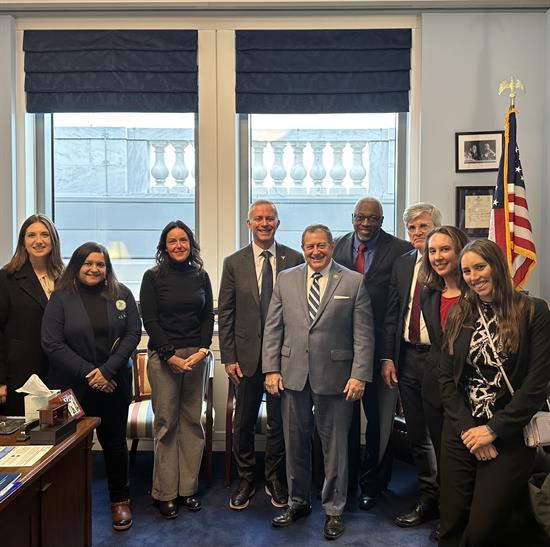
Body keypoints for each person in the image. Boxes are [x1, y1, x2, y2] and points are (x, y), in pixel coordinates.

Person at [263, 224, 374, 540]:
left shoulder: (353, 282)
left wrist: (358, 374)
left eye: (321, 246)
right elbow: (273, 328)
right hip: (292, 375)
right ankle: (297, 503)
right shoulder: (286, 279)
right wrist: (271, 369)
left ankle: (334, 510)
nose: (315, 252)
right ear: (303, 247)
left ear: (331, 246)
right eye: (309, 246)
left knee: (335, 448)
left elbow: (364, 335)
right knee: (294, 443)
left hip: (337, 379)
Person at [439, 239, 550, 546]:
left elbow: (537, 384)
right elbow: (446, 380)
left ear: (497, 265)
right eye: (467, 271)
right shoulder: (460, 313)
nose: (474, 276)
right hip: (462, 428)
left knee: (482, 531)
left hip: (510, 432)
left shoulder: (533, 311)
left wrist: (492, 430)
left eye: (480, 267)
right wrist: (471, 432)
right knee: (450, 522)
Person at [42, 242, 141, 531]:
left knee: (113, 443)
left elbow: (133, 333)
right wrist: (91, 373)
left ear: (107, 267)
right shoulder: (61, 298)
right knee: (69, 448)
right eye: (88, 263)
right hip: (72, 388)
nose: (94, 269)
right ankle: (67, 503)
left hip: (113, 385)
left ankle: (120, 500)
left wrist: (108, 371)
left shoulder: (121, 294)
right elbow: (51, 343)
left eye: (100, 264)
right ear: (77, 265)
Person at [218, 200, 303, 510]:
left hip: (284, 358)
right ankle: (245, 479)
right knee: (243, 421)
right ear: (248, 224)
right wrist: (229, 357)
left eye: (270, 218)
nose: (264, 223)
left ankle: (274, 478)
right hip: (247, 357)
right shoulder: (233, 262)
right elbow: (225, 312)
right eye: (259, 219)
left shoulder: (294, 258)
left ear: (277, 223)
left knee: (280, 422)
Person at [333, 196, 411, 509]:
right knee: (346, 420)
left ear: (382, 220)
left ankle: (374, 485)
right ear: (352, 217)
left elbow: (399, 305)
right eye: (361, 218)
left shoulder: (400, 250)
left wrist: (389, 354)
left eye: (373, 219)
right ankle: (348, 481)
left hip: (381, 350)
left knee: (379, 422)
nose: (366, 224)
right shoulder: (337, 246)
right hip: (342, 351)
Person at [140, 220, 214, 519]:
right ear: (164, 246)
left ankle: (188, 489)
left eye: (183, 240)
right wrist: (170, 355)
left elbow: (208, 315)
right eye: (172, 241)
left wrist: (202, 350)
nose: (179, 245)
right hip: (164, 358)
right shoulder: (153, 277)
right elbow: (151, 319)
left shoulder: (201, 275)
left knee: (191, 424)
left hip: (195, 357)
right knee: (167, 424)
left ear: (190, 243)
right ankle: (165, 492)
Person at [380, 202, 442, 528]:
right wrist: (389, 358)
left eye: (424, 226)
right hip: (407, 358)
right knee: (418, 436)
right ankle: (428, 499)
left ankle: (452, 503)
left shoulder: (448, 262)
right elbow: (393, 313)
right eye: (412, 228)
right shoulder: (403, 264)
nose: (417, 233)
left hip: (439, 359)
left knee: (443, 434)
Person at [417, 225, 469, 539]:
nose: (438, 257)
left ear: (460, 250)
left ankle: (467, 521)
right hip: (436, 390)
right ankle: (449, 519)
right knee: (444, 459)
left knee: (466, 462)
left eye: (445, 249)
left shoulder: (477, 290)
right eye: (433, 251)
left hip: (471, 394)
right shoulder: (429, 292)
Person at [0, 214, 63, 416]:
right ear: (23, 242)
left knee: (63, 438)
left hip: (60, 372)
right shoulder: (7, 278)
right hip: (21, 376)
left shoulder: (66, 277)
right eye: (31, 235)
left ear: (53, 239)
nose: (38, 241)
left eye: (45, 234)